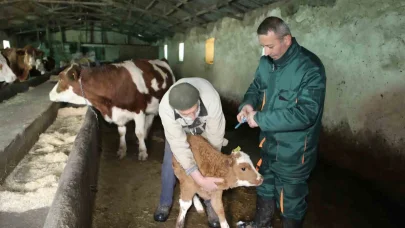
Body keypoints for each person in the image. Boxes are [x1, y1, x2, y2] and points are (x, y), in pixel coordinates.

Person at [236, 16, 326, 228]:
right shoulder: (266, 62)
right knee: (265, 185)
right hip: (267, 143)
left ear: (286, 39)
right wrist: (248, 104)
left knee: (290, 199)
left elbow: (306, 113)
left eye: (269, 46)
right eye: (262, 47)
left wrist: (260, 118)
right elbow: (256, 87)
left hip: (294, 151)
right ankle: (261, 224)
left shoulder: (310, 68)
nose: (265, 52)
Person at [154, 77, 227, 228]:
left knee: (209, 162)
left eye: (195, 110)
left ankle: (210, 203)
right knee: (170, 162)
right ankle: (165, 202)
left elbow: (215, 138)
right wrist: (199, 180)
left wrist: (209, 162)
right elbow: (179, 145)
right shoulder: (165, 109)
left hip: (204, 130)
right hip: (180, 132)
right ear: (176, 110)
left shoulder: (211, 99)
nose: (192, 116)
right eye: (186, 114)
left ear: (199, 100)